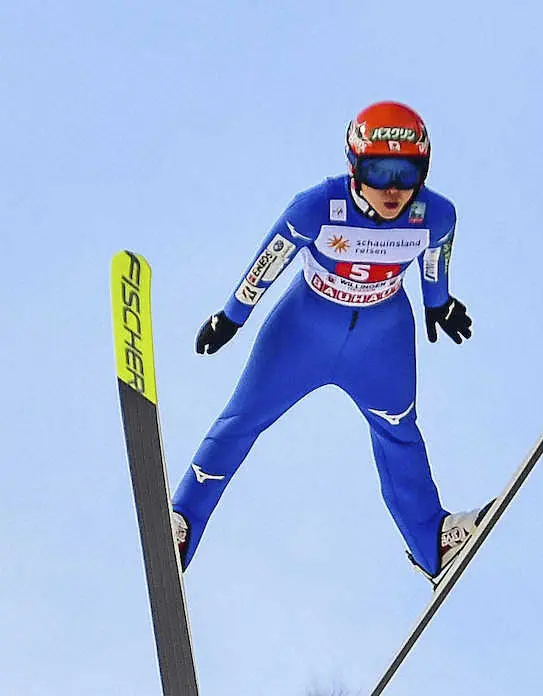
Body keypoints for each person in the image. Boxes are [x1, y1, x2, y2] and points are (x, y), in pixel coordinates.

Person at [172, 100, 480, 586]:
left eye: (408, 171)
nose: (394, 189)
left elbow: (434, 263)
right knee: (241, 419)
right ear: (354, 167)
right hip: (303, 330)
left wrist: (438, 304)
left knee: (399, 433)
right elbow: (269, 261)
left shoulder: (435, 215)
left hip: (382, 340)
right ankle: (182, 521)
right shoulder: (316, 206)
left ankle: (433, 543)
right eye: (380, 171)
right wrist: (231, 317)